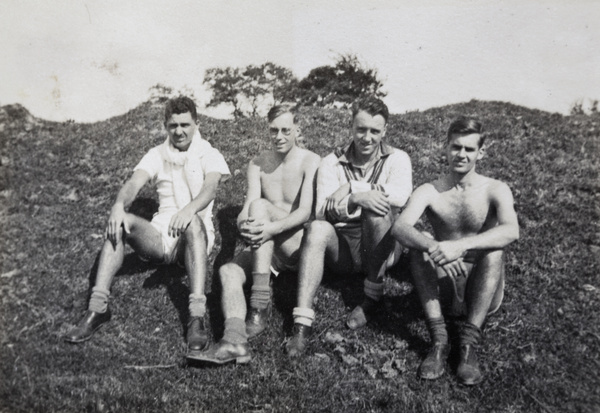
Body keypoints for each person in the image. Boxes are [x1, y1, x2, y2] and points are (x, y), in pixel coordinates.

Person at [63, 96, 231, 357]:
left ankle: (196, 316)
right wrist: (118, 205)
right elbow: (134, 183)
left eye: (185, 124)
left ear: (196, 124)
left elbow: (210, 189)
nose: (179, 131)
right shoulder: (157, 154)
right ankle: (97, 308)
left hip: (193, 236)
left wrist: (188, 210)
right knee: (121, 222)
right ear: (165, 126)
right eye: (173, 125)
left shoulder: (209, 153)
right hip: (161, 235)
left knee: (194, 222)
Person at [391, 117, 519, 385]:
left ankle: (468, 345)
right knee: (419, 242)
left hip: (480, 289)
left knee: (494, 249)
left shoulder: (496, 189)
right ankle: (438, 340)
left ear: (480, 153)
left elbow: (511, 231)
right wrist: (435, 246)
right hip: (444, 285)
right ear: (445, 147)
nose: (461, 154)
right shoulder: (430, 190)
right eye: (456, 147)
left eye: (469, 149)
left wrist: (458, 246)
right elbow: (400, 228)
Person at [189, 104, 320, 364]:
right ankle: (235, 339)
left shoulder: (310, 160)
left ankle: (259, 305)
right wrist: (241, 225)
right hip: (265, 247)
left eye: (285, 130)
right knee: (227, 271)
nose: (279, 136)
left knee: (261, 207)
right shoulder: (258, 163)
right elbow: (247, 207)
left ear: (297, 129)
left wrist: (269, 227)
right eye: (274, 130)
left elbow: (306, 212)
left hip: (294, 243)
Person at [286, 96, 413, 358]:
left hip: (382, 246)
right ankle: (302, 322)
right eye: (361, 129)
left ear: (385, 130)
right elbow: (322, 210)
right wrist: (354, 200)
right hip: (344, 248)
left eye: (375, 131)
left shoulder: (398, 158)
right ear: (351, 126)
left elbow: (401, 196)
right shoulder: (330, 162)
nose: (367, 138)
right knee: (317, 228)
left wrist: (355, 189)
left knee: (376, 208)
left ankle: (372, 297)